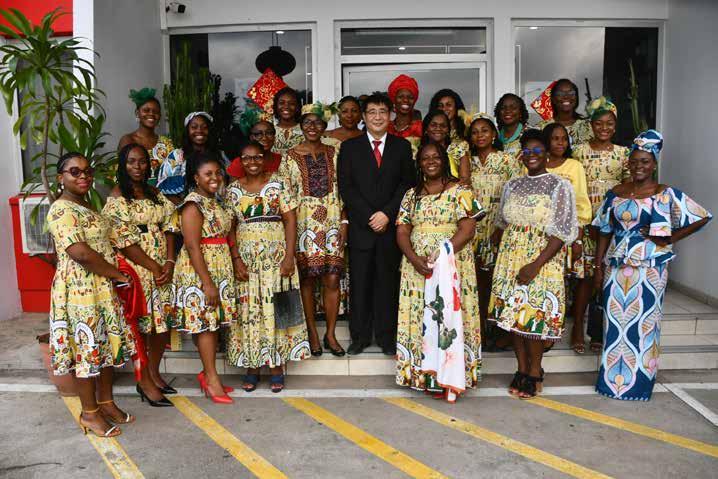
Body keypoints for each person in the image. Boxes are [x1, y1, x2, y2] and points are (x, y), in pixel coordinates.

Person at [593, 130, 711, 401]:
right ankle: (610, 383)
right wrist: (598, 266)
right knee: (615, 325)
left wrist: (670, 238)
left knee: (646, 324)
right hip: (617, 265)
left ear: (654, 164)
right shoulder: (616, 193)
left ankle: (639, 386)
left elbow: (702, 217)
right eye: (634, 161)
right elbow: (603, 230)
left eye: (645, 161)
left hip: (650, 268)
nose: (639, 166)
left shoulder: (664, 193)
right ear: (628, 163)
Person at [47, 152, 138, 437]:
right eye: (74, 171)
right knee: (85, 351)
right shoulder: (61, 210)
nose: (83, 176)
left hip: (100, 287)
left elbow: (111, 242)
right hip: (79, 291)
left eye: (87, 171)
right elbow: (81, 253)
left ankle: (106, 403)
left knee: (104, 347)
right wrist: (117, 275)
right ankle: (89, 413)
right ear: (60, 178)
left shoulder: (86, 205)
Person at [488, 129, 578, 399]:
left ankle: (535, 371)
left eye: (537, 150)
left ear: (547, 153)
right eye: (526, 151)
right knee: (514, 317)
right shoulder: (512, 185)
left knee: (534, 319)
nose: (532, 155)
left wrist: (536, 264)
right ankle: (521, 368)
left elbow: (562, 232)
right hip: (510, 259)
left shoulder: (559, 186)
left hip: (542, 259)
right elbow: (502, 223)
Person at [395, 142, 484, 400]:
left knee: (449, 319)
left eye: (436, 157)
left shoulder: (461, 191)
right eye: (425, 158)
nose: (431, 161)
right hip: (417, 268)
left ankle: (452, 377)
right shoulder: (411, 195)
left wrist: (443, 253)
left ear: (444, 161)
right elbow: (402, 230)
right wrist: (414, 258)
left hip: (452, 264)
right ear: (419, 163)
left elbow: (468, 229)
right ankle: (425, 376)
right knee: (421, 318)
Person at [225, 142, 310, 393]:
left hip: (276, 258)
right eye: (247, 158)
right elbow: (229, 227)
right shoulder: (232, 190)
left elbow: (290, 220)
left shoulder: (279, 183)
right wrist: (236, 259)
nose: (252, 162)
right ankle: (252, 367)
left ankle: (276, 367)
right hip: (247, 260)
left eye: (257, 157)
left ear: (265, 159)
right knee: (249, 310)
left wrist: (289, 257)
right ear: (240, 161)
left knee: (277, 308)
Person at [337, 93, 415, 356]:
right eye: (372, 112)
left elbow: (407, 184)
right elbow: (346, 186)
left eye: (383, 111)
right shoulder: (350, 148)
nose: (378, 117)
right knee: (360, 285)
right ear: (364, 116)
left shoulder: (402, 147)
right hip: (362, 227)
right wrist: (371, 215)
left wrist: (387, 214)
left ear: (390, 115)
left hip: (390, 229)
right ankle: (359, 337)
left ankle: (387, 337)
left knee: (387, 284)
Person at [103, 144, 179, 406]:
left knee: (161, 324)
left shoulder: (154, 193)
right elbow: (124, 241)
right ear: (123, 165)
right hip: (138, 268)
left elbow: (170, 225)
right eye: (131, 161)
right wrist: (154, 267)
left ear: (149, 165)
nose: (137, 166)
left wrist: (169, 261)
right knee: (142, 326)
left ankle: (154, 374)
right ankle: (143, 381)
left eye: (142, 161)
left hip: (162, 266)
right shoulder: (117, 197)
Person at [282, 103, 347, 357]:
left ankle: (330, 333)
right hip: (303, 225)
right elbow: (286, 198)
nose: (312, 127)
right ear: (301, 125)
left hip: (332, 222)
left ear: (324, 126)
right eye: (307, 122)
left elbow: (346, 189)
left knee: (332, 278)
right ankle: (311, 332)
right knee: (307, 279)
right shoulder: (289, 157)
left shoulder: (336, 152)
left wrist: (344, 223)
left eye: (317, 122)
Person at [173, 151, 238, 403]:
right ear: (196, 178)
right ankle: (211, 379)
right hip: (200, 271)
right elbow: (192, 246)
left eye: (217, 173)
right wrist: (207, 283)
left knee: (212, 324)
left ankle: (209, 375)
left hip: (218, 266)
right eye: (207, 174)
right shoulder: (193, 205)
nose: (215, 178)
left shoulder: (215, 201)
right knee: (206, 326)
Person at [571, 97, 630, 354]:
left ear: (615, 126)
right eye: (599, 123)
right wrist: (582, 222)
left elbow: (629, 189)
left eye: (609, 123)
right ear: (591, 125)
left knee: (606, 276)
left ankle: (598, 330)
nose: (604, 128)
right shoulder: (579, 151)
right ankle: (577, 327)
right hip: (586, 221)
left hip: (613, 223)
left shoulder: (624, 153)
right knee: (586, 277)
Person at [466, 114, 518, 346]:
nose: (480, 135)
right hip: (473, 229)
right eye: (475, 132)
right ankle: (480, 332)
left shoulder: (507, 161)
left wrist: (503, 225)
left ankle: (500, 331)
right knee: (477, 281)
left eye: (485, 130)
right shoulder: (468, 161)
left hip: (498, 227)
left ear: (494, 134)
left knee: (498, 279)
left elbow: (516, 195)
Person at [541, 123, 592, 352]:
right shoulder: (536, 163)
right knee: (549, 280)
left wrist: (578, 238)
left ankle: (575, 326)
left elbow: (581, 202)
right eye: (555, 138)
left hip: (569, 233)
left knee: (575, 279)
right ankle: (549, 325)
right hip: (541, 235)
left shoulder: (575, 166)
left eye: (564, 138)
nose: (560, 142)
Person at [157, 111, 226, 204]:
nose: (199, 130)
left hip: (216, 208)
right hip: (184, 209)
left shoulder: (219, 156)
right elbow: (164, 190)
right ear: (187, 131)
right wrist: (188, 207)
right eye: (194, 127)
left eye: (204, 127)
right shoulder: (176, 156)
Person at [118, 88, 174, 186]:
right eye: (146, 110)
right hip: (134, 191)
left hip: (163, 193)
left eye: (155, 111)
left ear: (160, 116)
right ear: (137, 113)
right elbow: (125, 171)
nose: (151, 114)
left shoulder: (167, 143)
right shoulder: (128, 140)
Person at [536, 79, 593, 146]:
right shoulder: (542, 128)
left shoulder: (589, 126)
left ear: (576, 98)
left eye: (571, 93)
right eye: (560, 94)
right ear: (553, 99)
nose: (566, 96)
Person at [228, 108, 282, 178]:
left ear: (274, 137)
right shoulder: (240, 163)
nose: (264, 138)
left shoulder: (281, 160)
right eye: (258, 134)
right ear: (251, 138)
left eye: (269, 133)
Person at [421, 110, 471, 183]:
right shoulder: (420, 152)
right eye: (433, 125)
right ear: (426, 129)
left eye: (443, 126)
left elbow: (465, 180)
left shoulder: (458, 148)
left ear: (448, 130)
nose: (438, 128)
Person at [387, 74, 423, 148]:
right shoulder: (386, 128)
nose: (406, 100)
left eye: (410, 97)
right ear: (394, 99)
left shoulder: (421, 128)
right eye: (400, 97)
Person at [494, 93, 530, 160]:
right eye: (503, 108)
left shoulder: (529, 134)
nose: (507, 111)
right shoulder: (493, 135)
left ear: (521, 112)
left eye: (513, 108)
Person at [272, 87, 304, 155]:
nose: (286, 106)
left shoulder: (305, 130)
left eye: (292, 103)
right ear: (276, 106)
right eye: (281, 103)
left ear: (297, 107)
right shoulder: (269, 131)